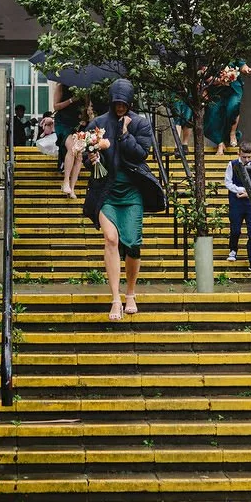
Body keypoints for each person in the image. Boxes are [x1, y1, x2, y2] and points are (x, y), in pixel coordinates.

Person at [82, 79, 165, 321]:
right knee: (111, 239)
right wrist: (93, 158)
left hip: (131, 192)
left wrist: (125, 134)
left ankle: (130, 293)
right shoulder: (98, 124)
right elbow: (87, 157)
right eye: (116, 103)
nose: (120, 107)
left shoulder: (140, 123)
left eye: (124, 104)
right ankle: (115, 298)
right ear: (111, 101)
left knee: (133, 244)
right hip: (105, 190)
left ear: (130, 103)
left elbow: (141, 154)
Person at [225, 140, 251, 269]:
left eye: (249, 157)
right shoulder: (232, 164)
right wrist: (240, 190)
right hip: (236, 200)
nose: (247, 159)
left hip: (250, 202)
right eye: (244, 157)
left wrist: (249, 193)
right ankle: (233, 250)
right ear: (239, 154)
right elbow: (228, 182)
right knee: (235, 229)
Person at [205, 60, 251, 157]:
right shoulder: (208, 54)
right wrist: (221, 80)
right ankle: (220, 143)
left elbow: (242, 65)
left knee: (232, 107)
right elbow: (205, 76)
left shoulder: (232, 49)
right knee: (211, 116)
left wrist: (246, 69)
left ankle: (232, 133)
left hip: (233, 88)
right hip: (216, 89)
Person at [51, 83, 84, 176]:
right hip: (62, 121)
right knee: (68, 144)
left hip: (76, 121)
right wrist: (71, 100)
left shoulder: (83, 88)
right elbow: (56, 106)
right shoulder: (60, 87)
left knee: (76, 147)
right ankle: (64, 169)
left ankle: (70, 171)